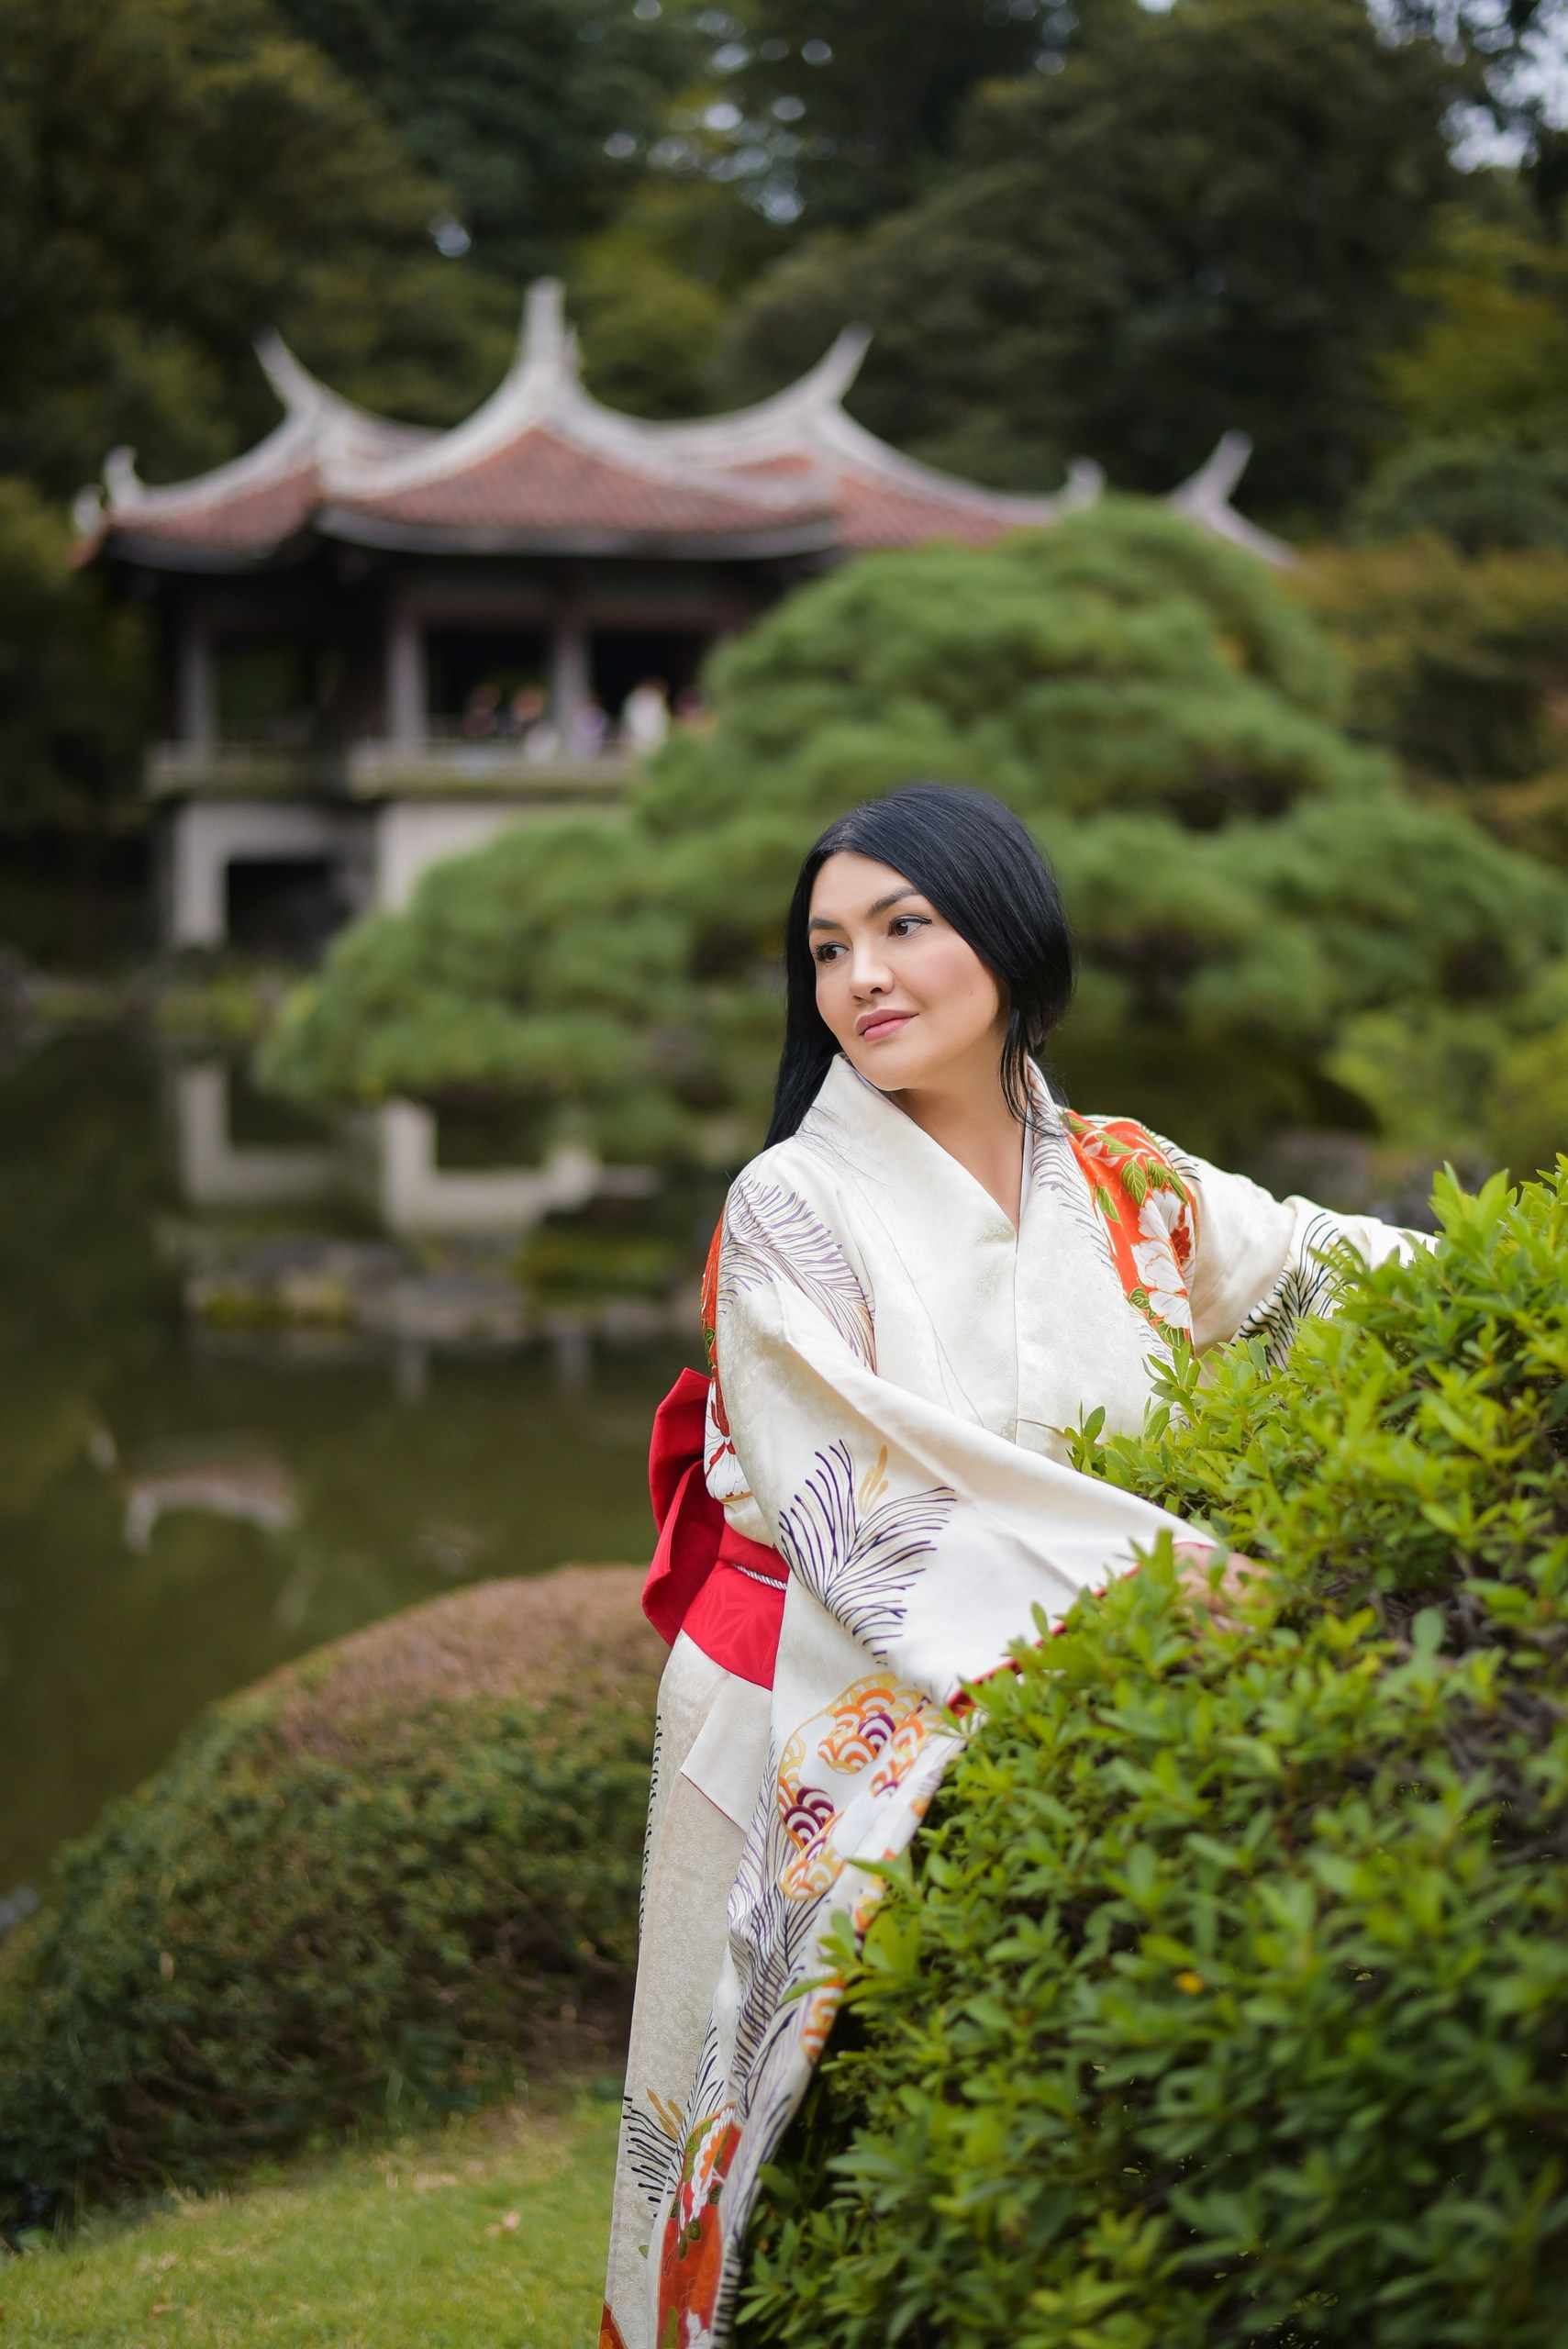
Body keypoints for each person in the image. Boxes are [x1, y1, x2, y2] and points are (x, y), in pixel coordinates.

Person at [600, 785, 1418, 2349]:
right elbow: (857, 1483)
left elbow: (1329, 1273)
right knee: (734, 2102)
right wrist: (1165, 1580)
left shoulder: (1117, 1173)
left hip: (1050, 1661)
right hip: (797, 1685)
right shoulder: (789, 1201)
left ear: (1008, 933)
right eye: (829, 946)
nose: (862, 977)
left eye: (905, 925)